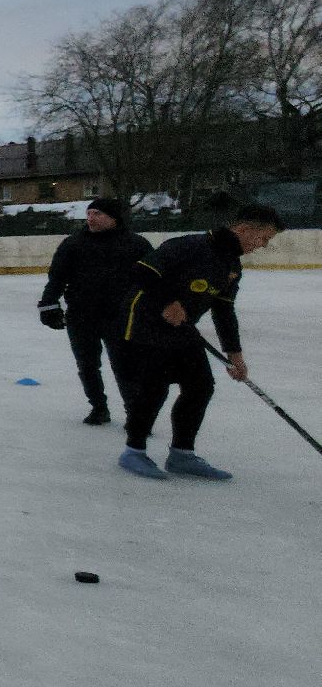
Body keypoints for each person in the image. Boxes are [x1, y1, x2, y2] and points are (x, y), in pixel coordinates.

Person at [113, 204, 283, 481]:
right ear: (244, 229)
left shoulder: (232, 265)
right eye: (263, 237)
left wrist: (235, 355)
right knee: (154, 389)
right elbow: (142, 272)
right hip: (144, 325)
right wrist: (168, 301)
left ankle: (182, 454)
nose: (263, 245)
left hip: (182, 329)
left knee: (200, 386)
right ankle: (134, 451)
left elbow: (223, 310)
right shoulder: (189, 245)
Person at [37, 197, 154, 425]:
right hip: (81, 316)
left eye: (98, 213)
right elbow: (57, 278)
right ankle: (99, 407)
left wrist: (156, 308)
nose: (91, 218)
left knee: (125, 367)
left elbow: (153, 279)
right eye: (89, 213)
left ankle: (135, 414)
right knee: (87, 365)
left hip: (120, 317)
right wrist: (48, 305)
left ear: (114, 218)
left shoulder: (136, 244)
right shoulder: (73, 244)